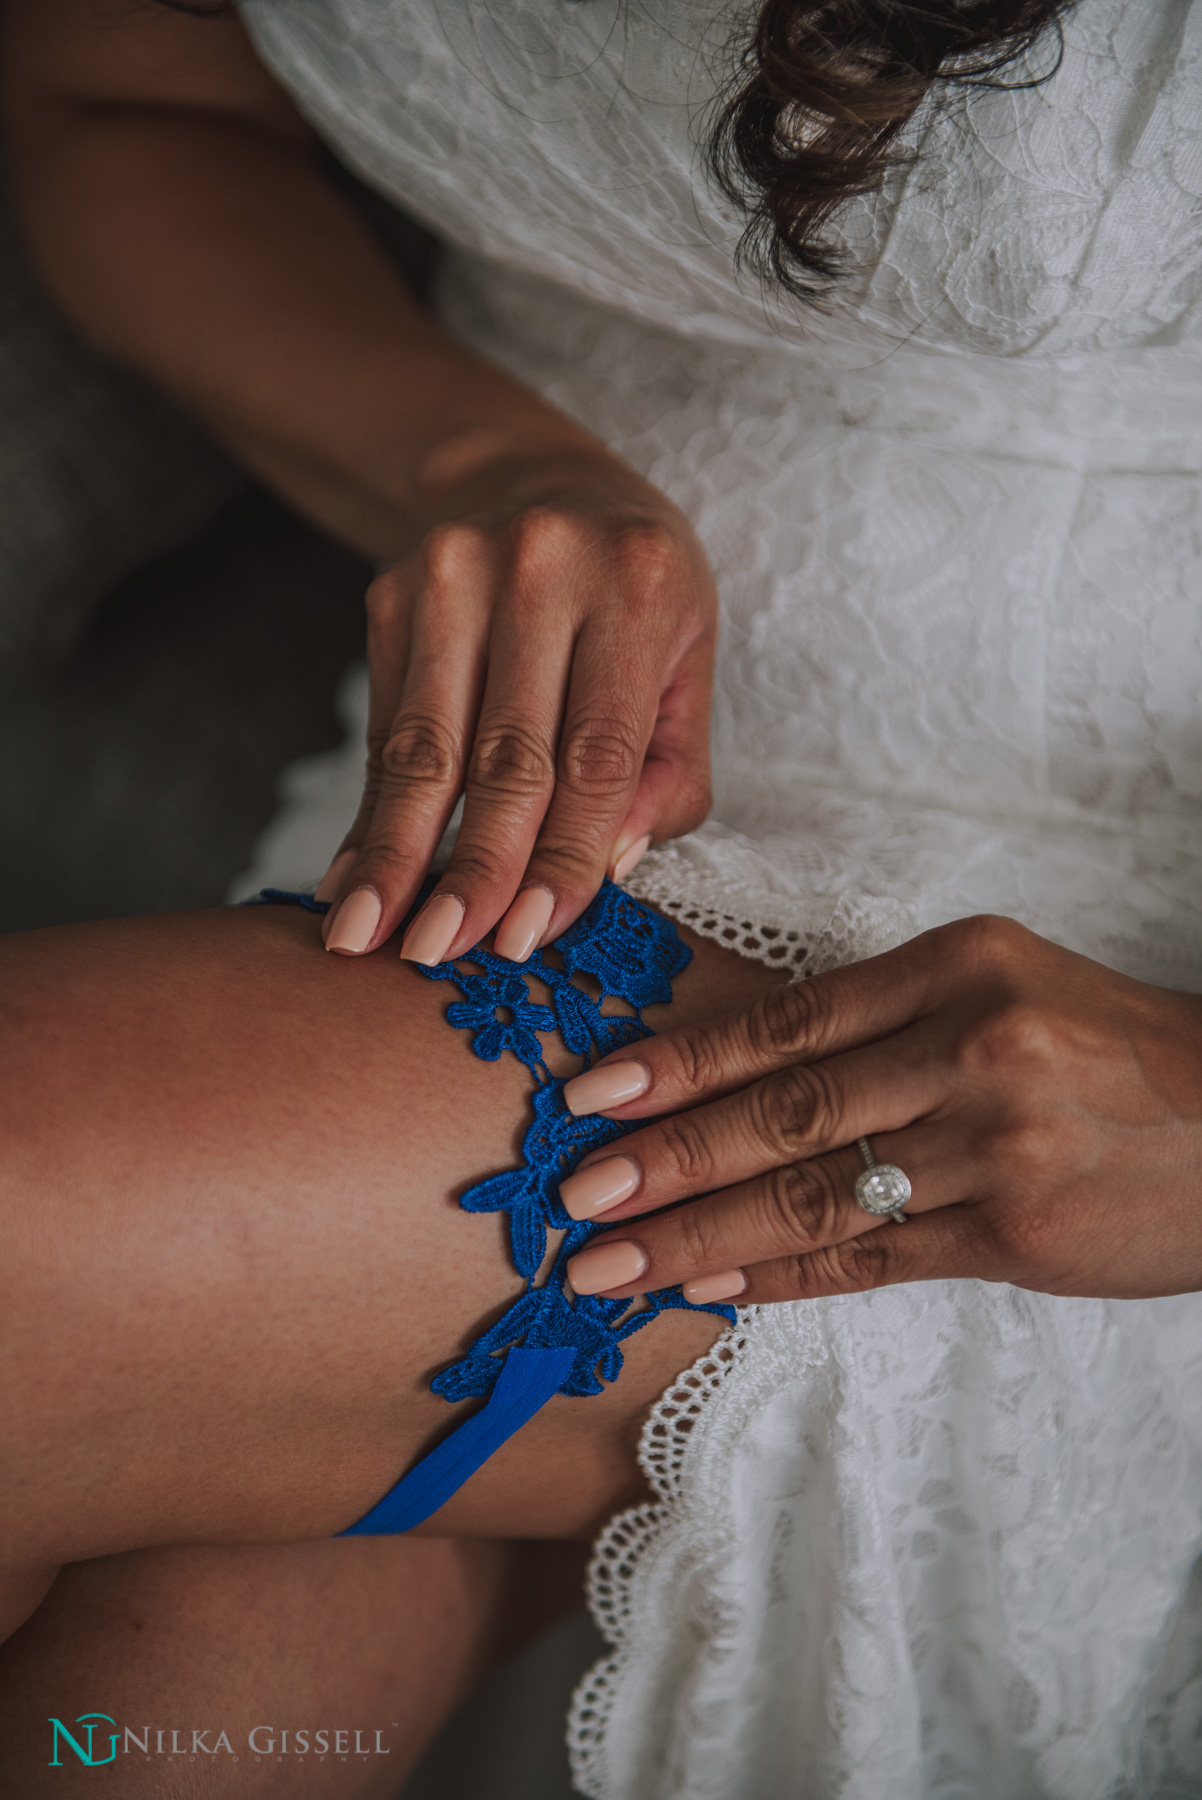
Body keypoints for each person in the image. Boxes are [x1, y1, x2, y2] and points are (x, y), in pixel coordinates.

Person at [3, 0, 1202, 1793]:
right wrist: (470, 460)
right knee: (133, 1728)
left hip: (1080, 1043)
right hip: (506, 767)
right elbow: (116, 95)